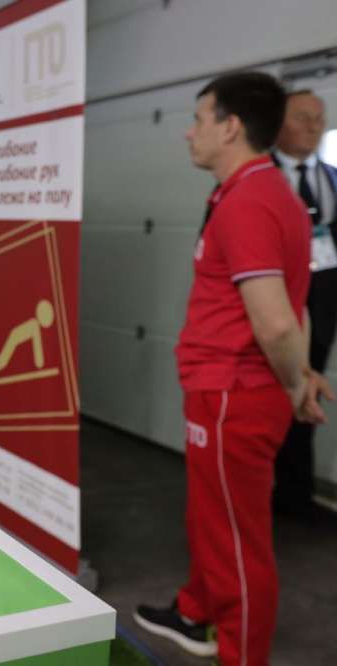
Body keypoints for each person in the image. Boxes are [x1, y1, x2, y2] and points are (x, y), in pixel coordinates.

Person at [133, 72, 333, 666]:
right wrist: (303, 372)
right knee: (213, 519)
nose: (189, 132)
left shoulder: (249, 201)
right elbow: (297, 301)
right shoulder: (261, 191)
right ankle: (197, 610)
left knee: (237, 541)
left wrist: (295, 383)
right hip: (226, 391)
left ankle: (243, 653)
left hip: (233, 395)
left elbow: (276, 323)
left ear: (230, 127)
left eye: (199, 119)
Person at [271, 90, 337, 516]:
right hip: (275, 299)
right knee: (276, 389)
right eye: (302, 117)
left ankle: (297, 495)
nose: (313, 127)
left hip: (323, 299)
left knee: (310, 388)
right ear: (279, 123)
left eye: (319, 118)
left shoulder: (331, 177)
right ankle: (265, 486)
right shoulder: (258, 176)